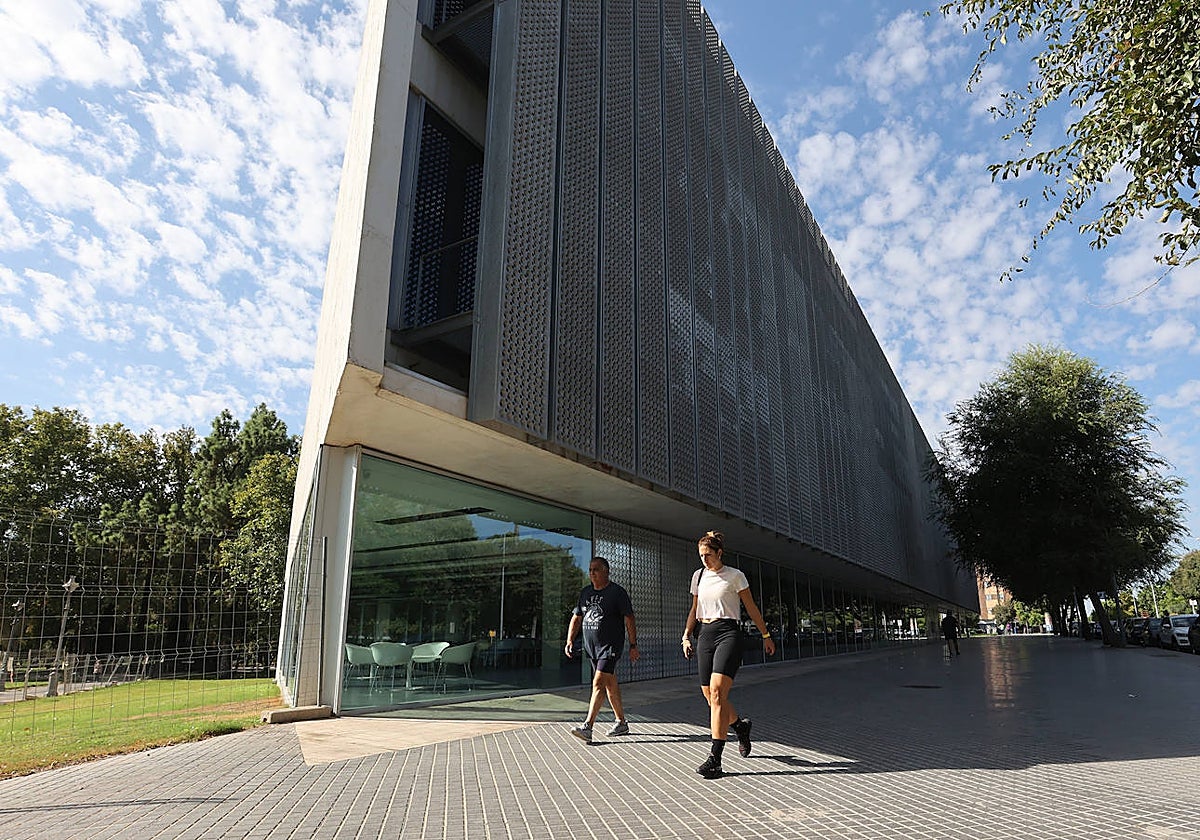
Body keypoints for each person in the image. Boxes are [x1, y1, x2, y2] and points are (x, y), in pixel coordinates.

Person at [681, 530, 776, 779]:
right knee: (710, 697)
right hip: (705, 634)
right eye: (701, 555)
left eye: (708, 555)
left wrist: (765, 635)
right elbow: (694, 609)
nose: (704, 560)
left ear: (719, 553)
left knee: (717, 692)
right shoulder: (698, 576)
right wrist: (686, 636)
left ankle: (715, 759)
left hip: (728, 633)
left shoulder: (735, 576)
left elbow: (751, 607)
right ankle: (740, 727)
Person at [564, 556, 639, 744]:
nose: (592, 573)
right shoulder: (585, 593)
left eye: (596, 569)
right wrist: (569, 640)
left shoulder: (617, 593)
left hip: (610, 647)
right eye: (590, 570)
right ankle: (621, 722)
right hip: (592, 648)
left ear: (606, 571)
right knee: (610, 685)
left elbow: (629, 618)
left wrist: (632, 645)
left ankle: (588, 727)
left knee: (598, 682)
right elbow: (577, 617)